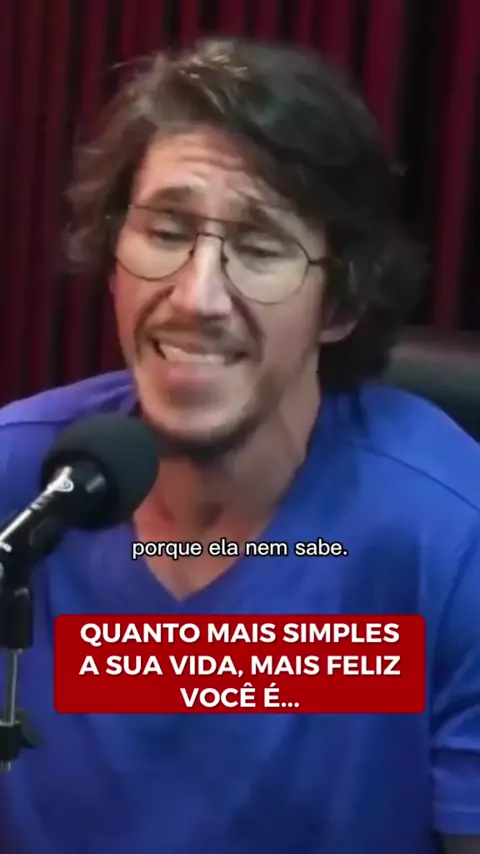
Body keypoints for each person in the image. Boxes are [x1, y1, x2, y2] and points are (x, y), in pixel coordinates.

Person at [0, 37, 479, 854]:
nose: (197, 298)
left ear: (340, 303)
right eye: (167, 231)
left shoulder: (450, 540)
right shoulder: (21, 487)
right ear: (113, 262)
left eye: (260, 248)